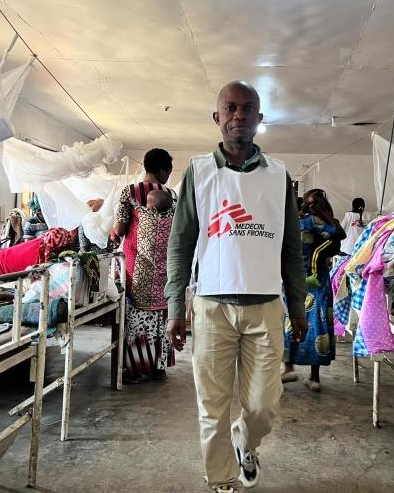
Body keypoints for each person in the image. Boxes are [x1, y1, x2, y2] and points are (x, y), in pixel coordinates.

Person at [165, 80, 307, 493]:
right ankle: (222, 481)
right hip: (212, 307)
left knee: (263, 406)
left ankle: (247, 441)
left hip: (265, 307)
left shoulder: (279, 176)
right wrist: (177, 306)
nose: (239, 115)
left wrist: (297, 305)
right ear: (217, 117)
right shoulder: (199, 172)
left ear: (259, 119)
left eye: (248, 109)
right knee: (212, 407)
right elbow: (181, 243)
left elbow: (291, 247)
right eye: (230, 108)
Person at [113, 148, 177, 383]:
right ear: (162, 171)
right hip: (165, 267)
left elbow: (119, 229)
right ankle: (158, 367)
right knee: (161, 315)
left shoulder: (129, 193)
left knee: (138, 316)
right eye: (168, 172)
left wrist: (114, 233)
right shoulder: (172, 195)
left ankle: (136, 369)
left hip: (137, 266)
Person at [282, 189, 345, 391]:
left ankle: (288, 367)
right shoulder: (326, 223)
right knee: (318, 324)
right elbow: (338, 235)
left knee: (290, 319)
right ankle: (314, 377)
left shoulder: (297, 221)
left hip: (294, 278)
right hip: (319, 281)